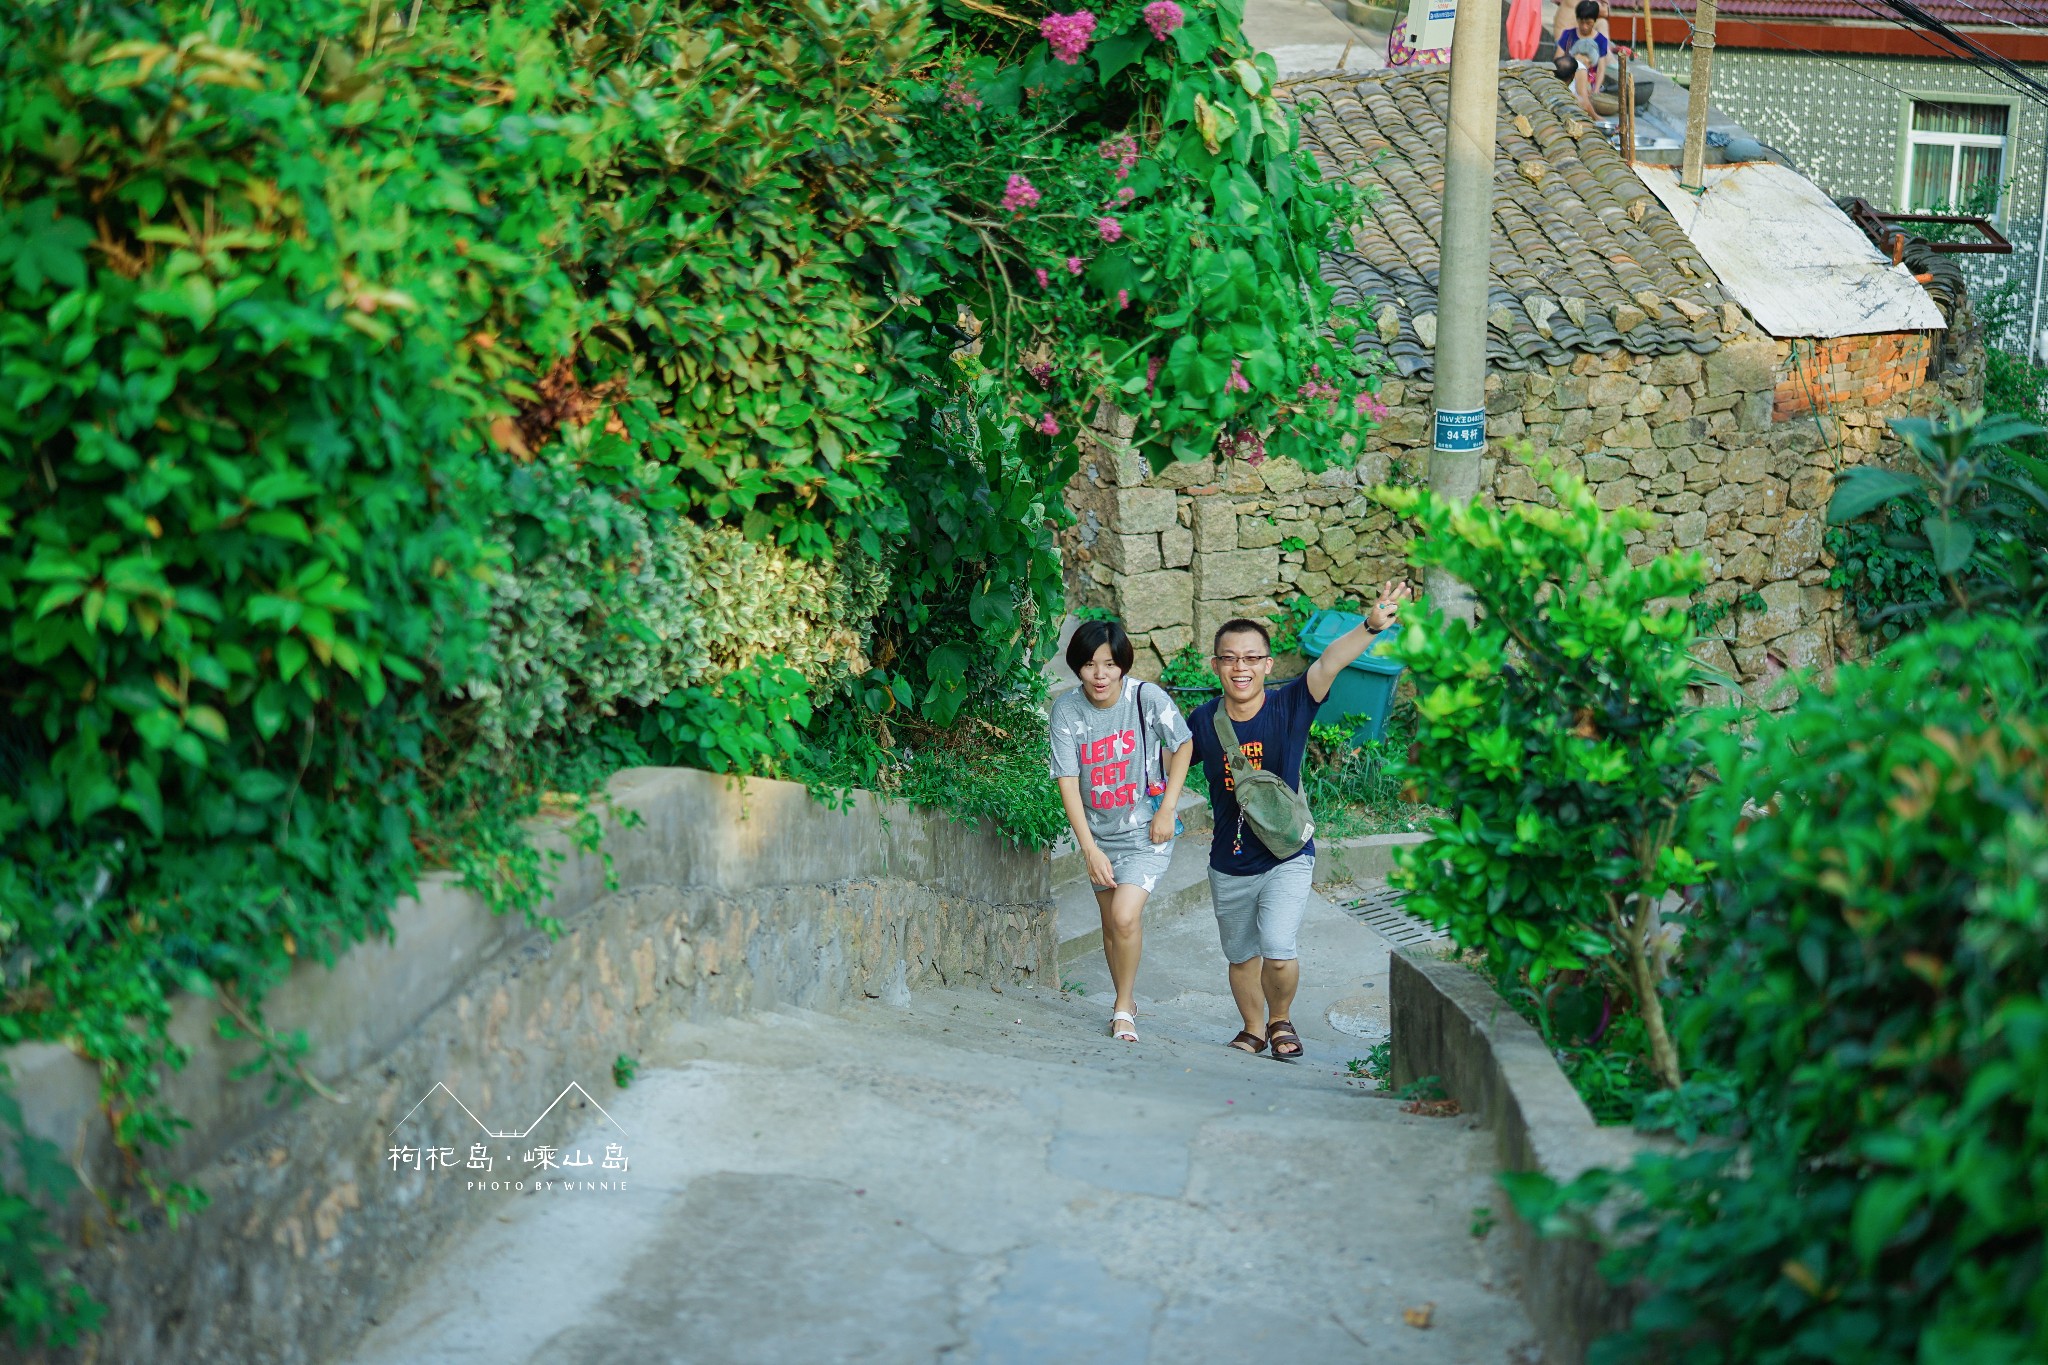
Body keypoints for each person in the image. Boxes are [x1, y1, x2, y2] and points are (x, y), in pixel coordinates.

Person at [1187, 582, 1413, 1062]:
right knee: (1240, 956)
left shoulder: (1290, 704)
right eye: (1230, 658)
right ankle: (1253, 1028)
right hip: (1228, 860)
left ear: (1268, 665)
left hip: (1286, 853)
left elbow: (1329, 662)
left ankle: (1280, 1019)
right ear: (1216, 665)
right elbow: (1167, 764)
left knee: (1277, 946)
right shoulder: (1203, 721)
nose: (1241, 667)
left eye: (1252, 658)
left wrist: (1371, 626)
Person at [1048, 618, 1193, 1044]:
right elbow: (1068, 781)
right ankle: (1123, 1001)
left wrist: (1169, 807)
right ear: (1077, 666)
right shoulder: (1066, 710)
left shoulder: (1146, 698)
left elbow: (1183, 743)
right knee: (1111, 926)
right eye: (1090, 664)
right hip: (1100, 836)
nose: (1100, 675)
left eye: (1109, 664)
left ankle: (1123, 1007)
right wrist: (1089, 849)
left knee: (1125, 916)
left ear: (1123, 665)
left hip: (1147, 833)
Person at [1557, 0, 1619, 116]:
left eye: (1588, 23)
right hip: (1569, 78)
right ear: (1577, 19)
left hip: (1590, 84)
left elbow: (1601, 68)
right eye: (1581, 22)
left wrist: (1596, 90)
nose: (1584, 27)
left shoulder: (1601, 40)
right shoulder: (1568, 35)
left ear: (1595, 21)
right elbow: (1558, 58)